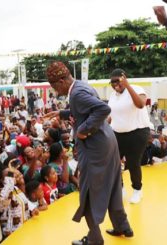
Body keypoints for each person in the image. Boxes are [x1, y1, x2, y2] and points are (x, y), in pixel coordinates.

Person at [45, 61, 132, 245]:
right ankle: (122, 226)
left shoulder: (75, 93)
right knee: (114, 184)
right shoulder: (81, 85)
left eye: (54, 86)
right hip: (108, 142)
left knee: (88, 192)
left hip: (95, 148)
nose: (55, 91)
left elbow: (103, 109)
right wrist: (61, 113)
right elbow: (86, 109)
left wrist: (82, 130)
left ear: (61, 80)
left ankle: (94, 239)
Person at [108, 69, 150, 204]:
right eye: (112, 82)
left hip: (137, 133)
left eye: (118, 81)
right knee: (113, 162)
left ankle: (137, 190)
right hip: (117, 133)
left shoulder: (137, 89)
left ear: (124, 78)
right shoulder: (112, 95)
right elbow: (111, 116)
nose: (115, 84)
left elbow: (140, 104)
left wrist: (127, 86)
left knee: (132, 163)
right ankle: (120, 189)